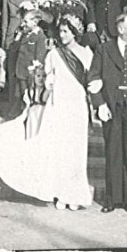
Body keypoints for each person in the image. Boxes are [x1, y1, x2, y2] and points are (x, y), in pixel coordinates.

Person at [87, 13, 127, 214]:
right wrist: (100, 104)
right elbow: (93, 77)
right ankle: (112, 199)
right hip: (112, 107)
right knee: (113, 152)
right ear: (120, 28)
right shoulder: (104, 49)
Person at [38, 14, 94, 210]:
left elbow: (91, 80)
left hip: (77, 106)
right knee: (61, 150)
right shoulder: (54, 54)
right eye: (60, 31)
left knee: (76, 151)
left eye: (65, 31)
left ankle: (75, 195)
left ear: (74, 32)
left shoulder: (86, 54)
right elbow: (49, 79)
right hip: (59, 105)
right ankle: (61, 194)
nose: (61, 35)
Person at [13, 9, 48, 114]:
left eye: (26, 22)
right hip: (21, 70)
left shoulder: (40, 36)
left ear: (35, 22)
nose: (23, 24)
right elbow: (15, 48)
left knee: (29, 95)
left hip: (30, 74)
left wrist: (34, 72)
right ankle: (20, 113)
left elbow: (40, 57)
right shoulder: (24, 33)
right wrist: (17, 37)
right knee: (20, 94)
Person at [22, 63, 49, 140]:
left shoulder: (47, 92)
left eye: (44, 76)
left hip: (43, 115)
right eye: (38, 76)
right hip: (32, 116)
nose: (41, 78)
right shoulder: (30, 92)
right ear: (34, 77)